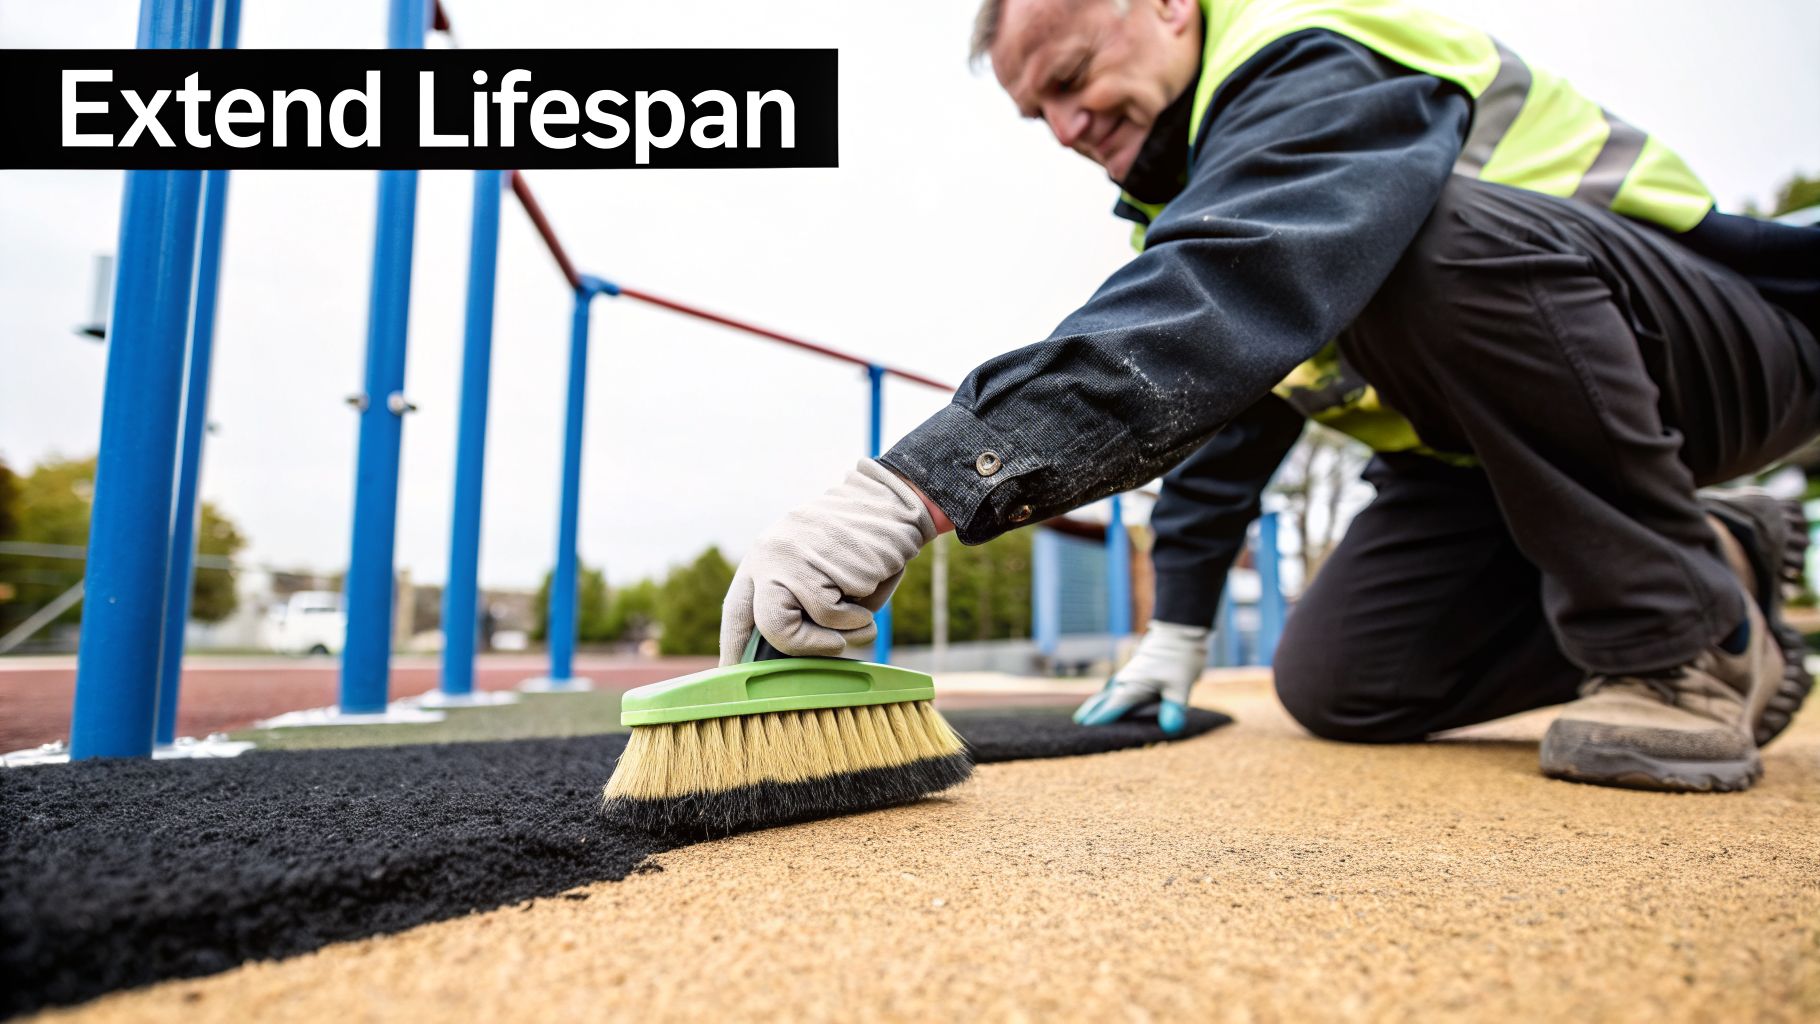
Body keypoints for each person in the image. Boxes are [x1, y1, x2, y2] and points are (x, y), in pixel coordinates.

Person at [719, 0, 1820, 792]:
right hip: (1486, 460)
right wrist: (1176, 633)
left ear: (1163, 6)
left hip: (1719, 350)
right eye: (1035, 115)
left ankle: (1677, 640)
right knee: (1343, 683)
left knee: (1416, 242)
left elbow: (1222, 292)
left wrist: (919, 486)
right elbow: (1223, 410)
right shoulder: (1209, 190)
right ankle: (1705, 556)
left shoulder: (1312, 46)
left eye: (1068, 78)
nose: (1062, 129)